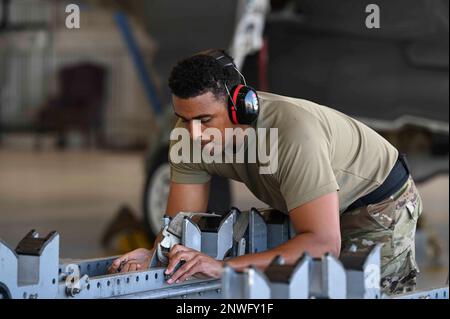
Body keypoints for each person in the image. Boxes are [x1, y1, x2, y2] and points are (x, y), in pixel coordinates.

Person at [109, 49, 422, 295]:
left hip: (376, 203)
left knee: (362, 292)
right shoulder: (187, 133)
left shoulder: (292, 135)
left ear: (239, 107)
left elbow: (323, 243)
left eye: (204, 120)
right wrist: (153, 255)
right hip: (311, 204)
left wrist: (224, 267)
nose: (192, 133)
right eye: (183, 118)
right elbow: (179, 226)